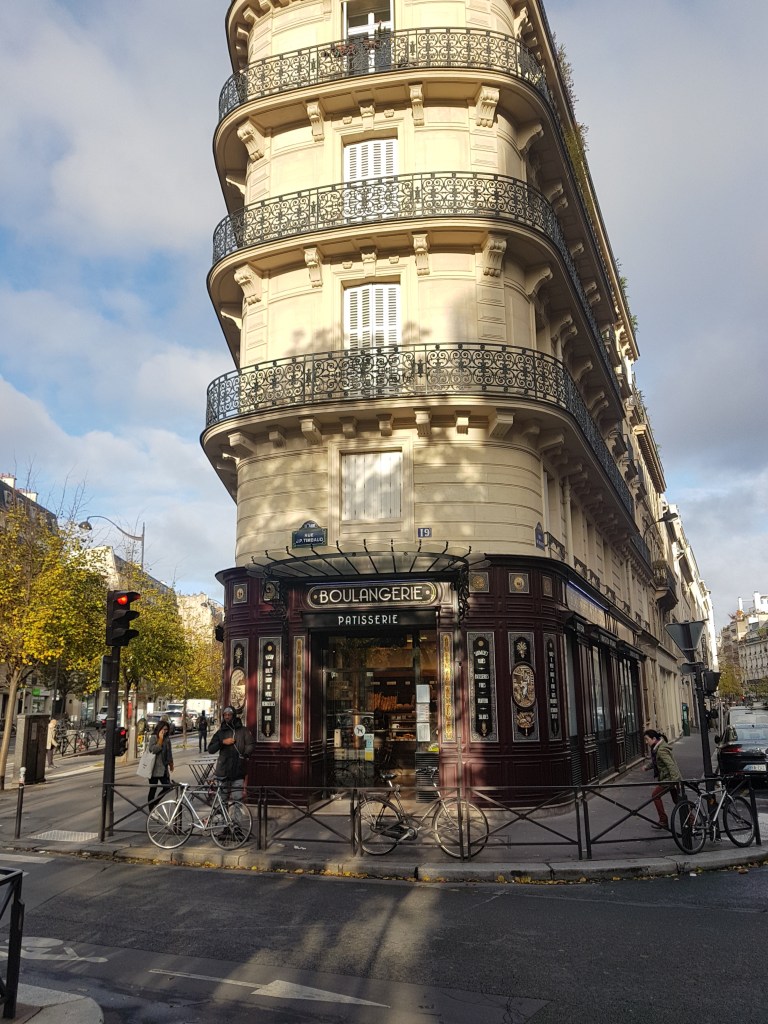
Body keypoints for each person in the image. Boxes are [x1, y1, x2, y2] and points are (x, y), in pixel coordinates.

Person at [207, 706, 254, 800]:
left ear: (234, 715)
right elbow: (211, 749)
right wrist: (222, 742)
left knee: (237, 798)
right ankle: (223, 810)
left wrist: (245, 755)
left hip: (238, 770)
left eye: (229, 715)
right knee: (222, 798)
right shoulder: (220, 732)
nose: (227, 717)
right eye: (225, 715)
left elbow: (250, 744)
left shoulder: (243, 730)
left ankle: (236, 810)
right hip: (223, 770)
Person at [643, 729, 682, 830]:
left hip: (669, 779)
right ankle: (692, 820)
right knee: (677, 800)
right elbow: (657, 761)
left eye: (647, 739)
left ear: (654, 738)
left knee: (655, 795)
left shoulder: (661, 750)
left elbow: (671, 765)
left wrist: (675, 780)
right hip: (669, 778)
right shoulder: (658, 748)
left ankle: (663, 820)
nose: (646, 742)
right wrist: (647, 767)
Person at [147, 719, 174, 809]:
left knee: (167, 787)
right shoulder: (154, 737)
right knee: (153, 788)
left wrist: (171, 763)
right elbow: (153, 750)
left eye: (167, 730)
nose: (165, 731)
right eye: (164, 729)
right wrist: (160, 740)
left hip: (163, 768)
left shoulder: (167, 738)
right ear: (159, 728)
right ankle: (151, 808)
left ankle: (155, 802)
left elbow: (169, 752)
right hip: (154, 768)